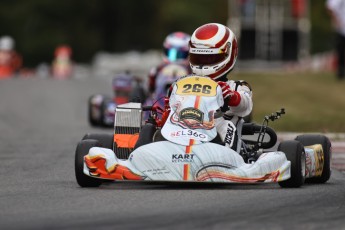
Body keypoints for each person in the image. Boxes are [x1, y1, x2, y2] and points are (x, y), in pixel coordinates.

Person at [163, 23, 253, 152]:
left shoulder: (237, 86)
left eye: (211, 58)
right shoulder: (182, 83)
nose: (203, 64)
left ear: (228, 54)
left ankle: (227, 160)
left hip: (217, 142)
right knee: (150, 126)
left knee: (225, 124)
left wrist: (232, 97)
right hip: (182, 135)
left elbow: (245, 107)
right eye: (198, 58)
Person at [326, 0, 345, 80]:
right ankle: (340, 71)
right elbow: (330, 7)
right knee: (341, 51)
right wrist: (336, 21)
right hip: (341, 29)